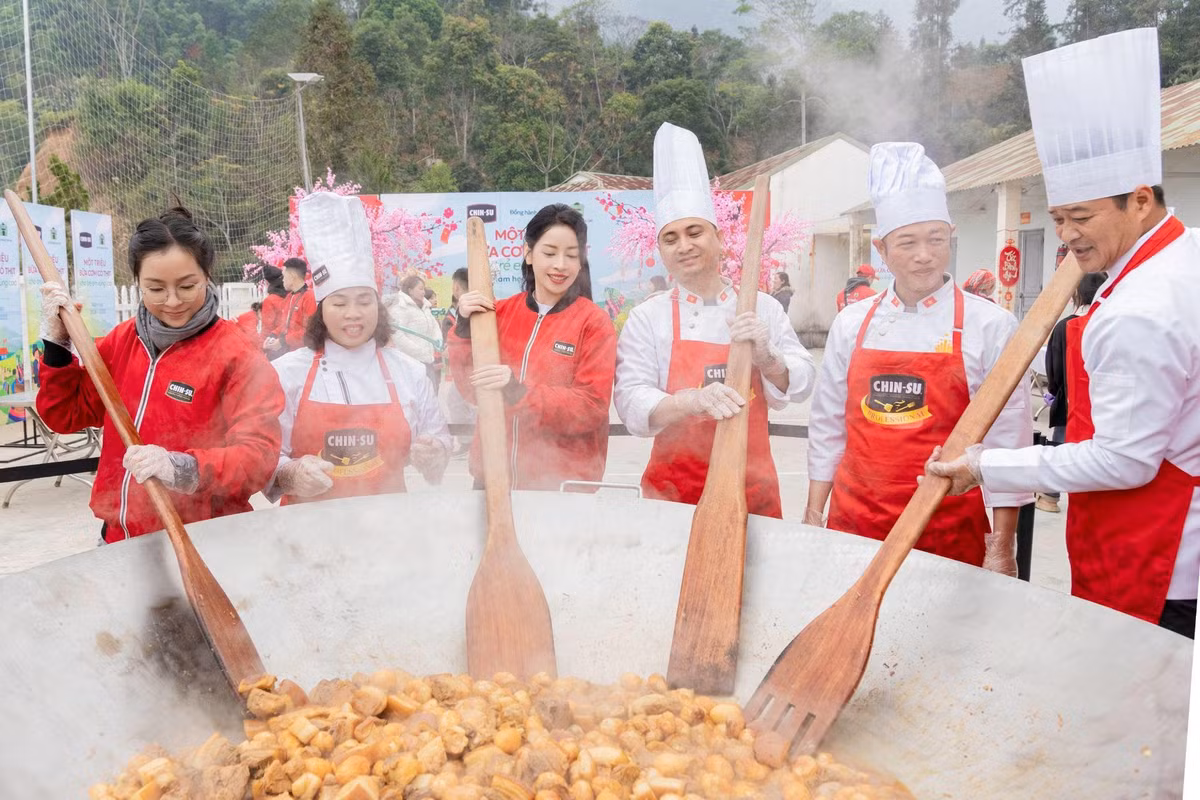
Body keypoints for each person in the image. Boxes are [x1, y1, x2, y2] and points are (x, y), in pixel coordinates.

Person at [928, 28, 1200, 638]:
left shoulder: (1142, 308)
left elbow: (1125, 460)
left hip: (1151, 553)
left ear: (1138, 199)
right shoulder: (1182, 257)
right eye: (1058, 219)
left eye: (1082, 217)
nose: (1069, 236)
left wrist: (985, 466)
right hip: (1139, 533)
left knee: (1137, 719)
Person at [806, 142, 1033, 572]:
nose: (924, 255)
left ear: (951, 238)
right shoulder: (853, 323)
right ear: (882, 247)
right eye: (907, 242)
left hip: (947, 529)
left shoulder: (991, 325)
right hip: (855, 523)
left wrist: (1002, 547)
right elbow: (827, 425)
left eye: (936, 239)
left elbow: (1009, 441)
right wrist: (814, 513)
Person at [36, 207, 285, 543]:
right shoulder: (121, 342)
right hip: (121, 538)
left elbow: (258, 458)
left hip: (207, 540)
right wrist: (57, 346)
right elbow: (64, 415)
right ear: (137, 282)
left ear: (207, 276)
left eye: (187, 286)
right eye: (155, 289)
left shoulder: (237, 354)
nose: (173, 301)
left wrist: (182, 468)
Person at [615, 122, 816, 518]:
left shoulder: (763, 308)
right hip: (671, 498)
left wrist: (769, 358)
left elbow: (803, 381)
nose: (684, 245)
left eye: (695, 232)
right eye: (670, 238)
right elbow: (630, 401)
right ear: (660, 250)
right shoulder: (647, 317)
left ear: (719, 238)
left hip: (751, 493)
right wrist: (690, 401)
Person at [267, 192, 451, 504]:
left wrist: (435, 454)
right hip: (304, 535)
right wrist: (290, 474)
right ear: (322, 310)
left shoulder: (409, 371)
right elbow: (265, 457)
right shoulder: (287, 372)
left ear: (378, 306)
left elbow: (439, 440)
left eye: (364, 301)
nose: (353, 313)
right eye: (339, 303)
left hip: (389, 530)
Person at [448, 203, 617, 490]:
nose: (560, 265)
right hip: (493, 479)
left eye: (571, 255)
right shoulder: (497, 313)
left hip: (562, 487)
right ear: (528, 253)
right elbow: (471, 390)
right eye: (549, 253)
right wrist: (464, 330)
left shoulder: (593, 322)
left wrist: (519, 391)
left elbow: (591, 408)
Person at [1037, 271, 1108, 513]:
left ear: (1077, 293)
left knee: (1061, 445)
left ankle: (1049, 497)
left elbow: (1054, 368)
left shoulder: (1064, 326)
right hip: (1104, 404)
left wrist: (1054, 391)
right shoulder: (1108, 323)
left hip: (1069, 402)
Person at [385, 273, 443, 382]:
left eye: (424, 289)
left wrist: (438, 340)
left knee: (432, 394)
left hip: (428, 360)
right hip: (410, 363)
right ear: (410, 290)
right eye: (420, 289)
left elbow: (434, 326)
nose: (423, 292)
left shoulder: (425, 307)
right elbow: (397, 336)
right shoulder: (400, 308)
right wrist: (419, 352)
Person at [264, 257, 316, 360]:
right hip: (288, 352)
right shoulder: (289, 297)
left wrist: (283, 341)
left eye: (283, 276)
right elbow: (284, 324)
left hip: (303, 355)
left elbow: (310, 332)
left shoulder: (309, 297)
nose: (282, 280)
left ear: (292, 276)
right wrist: (273, 335)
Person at [258, 263, 288, 348]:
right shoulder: (291, 296)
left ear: (268, 282)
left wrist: (261, 346)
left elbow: (267, 327)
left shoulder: (270, 300)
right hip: (290, 340)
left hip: (274, 343)